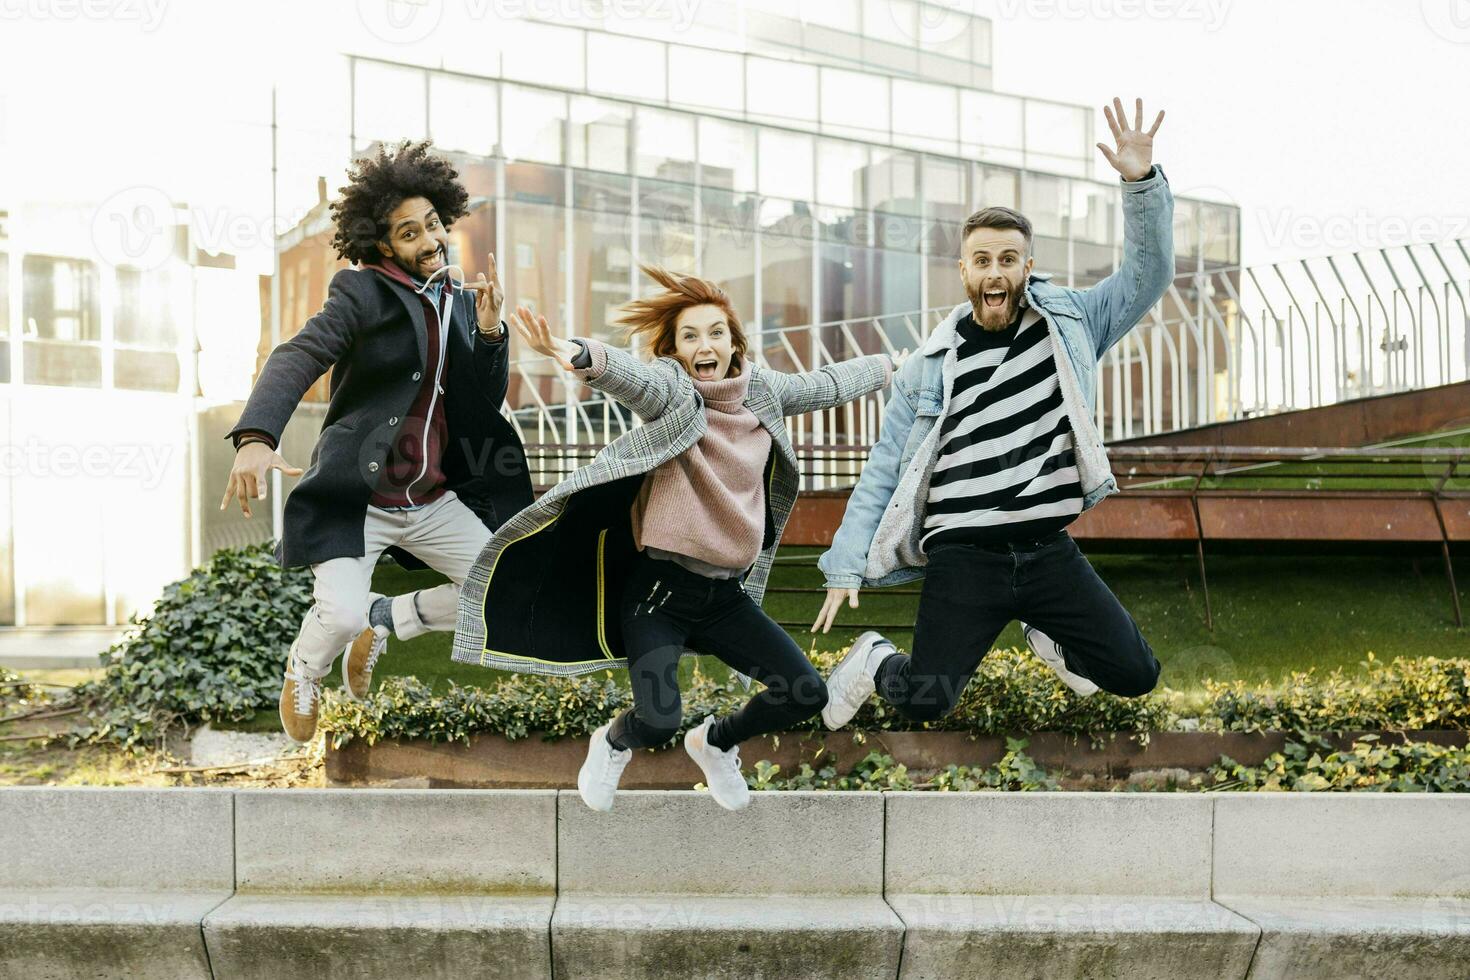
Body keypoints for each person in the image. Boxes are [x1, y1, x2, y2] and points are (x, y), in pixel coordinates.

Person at [452, 265, 899, 811]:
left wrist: (895, 365)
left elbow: (826, 385)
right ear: (676, 351)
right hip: (658, 595)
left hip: (723, 599)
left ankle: (715, 743)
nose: (704, 345)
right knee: (658, 719)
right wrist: (572, 352)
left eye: (715, 332)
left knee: (807, 693)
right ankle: (613, 741)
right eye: (690, 336)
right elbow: (629, 376)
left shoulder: (764, 393)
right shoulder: (673, 393)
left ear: (735, 343)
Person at [813, 97, 1172, 731]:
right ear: (964, 271)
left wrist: (1138, 182)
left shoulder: (1073, 324)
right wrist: (845, 562)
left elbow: (1147, 275)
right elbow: (883, 470)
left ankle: (1055, 640)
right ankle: (873, 660)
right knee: (926, 698)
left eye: (1008, 259)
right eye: (982, 261)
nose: (995, 272)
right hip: (964, 558)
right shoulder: (930, 365)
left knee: (1134, 674)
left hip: (1045, 551)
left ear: (1027, 266)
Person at [222, 139, 532, 742]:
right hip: (359, 500)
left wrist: (491, 334)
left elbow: (478, 401)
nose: (429, 240)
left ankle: (388, 620)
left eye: (434, 225)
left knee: (507, 590)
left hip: (433, 501)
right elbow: (300, 353)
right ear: (383, 243)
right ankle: (306, 668)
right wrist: (257, 436)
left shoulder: (458, 300)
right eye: (409, 232)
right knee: (336, 613)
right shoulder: (360, 293)